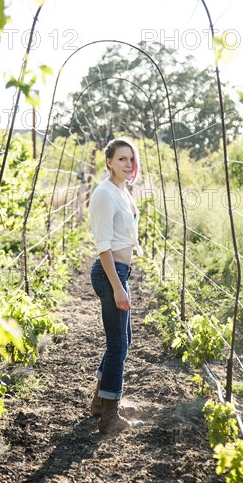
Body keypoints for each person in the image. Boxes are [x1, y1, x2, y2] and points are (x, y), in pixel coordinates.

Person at [89, 136, 144, 435]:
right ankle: (110, 416)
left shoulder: (123, 191)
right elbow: (103, 246)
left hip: (121, 272)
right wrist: (118, 287)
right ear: (109, 161)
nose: (127, 164)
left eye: (131, 159)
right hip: (110, 272)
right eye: (122, 158)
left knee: (124, 340)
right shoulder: (104, 194)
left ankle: (101, 400)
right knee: (117, 344)